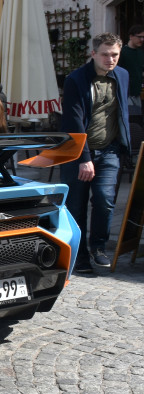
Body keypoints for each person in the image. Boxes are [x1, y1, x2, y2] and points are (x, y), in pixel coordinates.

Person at [61, 32, 131, 273]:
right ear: (93, 54)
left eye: (115, 55)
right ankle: (79, 257)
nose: (110, 59)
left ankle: (98, 247)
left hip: (110, 151)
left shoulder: (122, 75)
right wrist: (84, 159)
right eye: (105, 54)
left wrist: (126, 146)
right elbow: (73, 122)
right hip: (79, 153)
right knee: (76, 206)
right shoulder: (76, 80)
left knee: (105, 200)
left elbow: (121, 112)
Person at [119, 24, 143, 109]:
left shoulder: (141, 53)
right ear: (131, 36)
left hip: (137, 93)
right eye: (139, 37)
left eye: (143, 37)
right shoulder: (121, 52)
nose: (142, 39)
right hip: (125, 93)